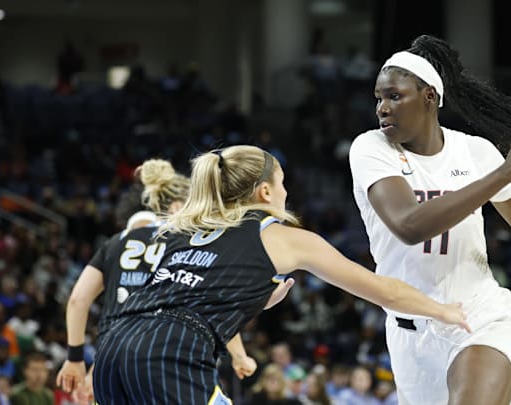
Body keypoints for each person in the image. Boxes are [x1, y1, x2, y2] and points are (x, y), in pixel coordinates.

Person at [92, 145, 470, 404]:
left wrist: (253, 300)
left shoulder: (187, 227)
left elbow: (187, 293)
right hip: (170, 351)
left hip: (113, 344)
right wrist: (444, 311)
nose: (287, 192)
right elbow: (383, 291)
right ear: (265, 191)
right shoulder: (283, 238)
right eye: (284, 183)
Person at [348, 34, 511, 405]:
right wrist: (505, 172)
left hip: (478, 317)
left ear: (429, 97)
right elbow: (409, 225)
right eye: (379, 98)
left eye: (395, 96)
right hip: (411, 336)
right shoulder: (371, 149)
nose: (382, 107)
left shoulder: (475, 152)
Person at [55, 159, 281, 399]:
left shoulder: (114, 244)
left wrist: (75, 359)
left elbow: (78, 300)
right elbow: (210, 302)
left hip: (112, 359)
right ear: (176, 207)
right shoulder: (187, 243)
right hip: (170, 355)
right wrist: (239, 356)